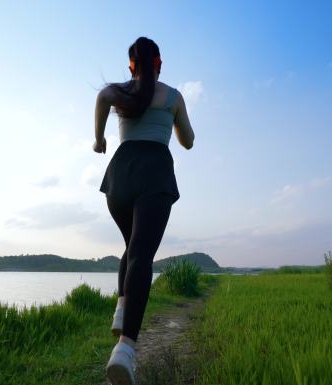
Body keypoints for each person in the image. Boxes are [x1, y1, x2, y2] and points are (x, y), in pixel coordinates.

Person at [93, 36, 195, 385]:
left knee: (132, 247)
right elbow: (189, 140)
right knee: (141, 254)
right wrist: (176, 127)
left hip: (120, 177)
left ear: (131, 65)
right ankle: (125, 350)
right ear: (159, 64)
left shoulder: (119, 92)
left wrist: (99, 139)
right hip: (154, 173)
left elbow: (101, 99)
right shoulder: (173, 97)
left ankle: (123, 306)